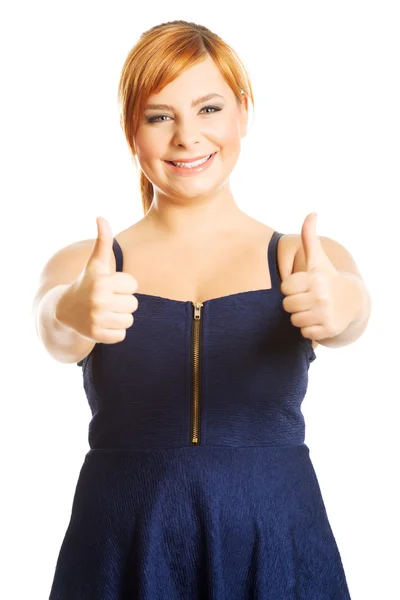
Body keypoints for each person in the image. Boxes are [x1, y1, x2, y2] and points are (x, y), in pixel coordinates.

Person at [34, 19, 371, 599]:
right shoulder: (88, 264)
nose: (187, 137)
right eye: (158, 116)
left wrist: (343, 306)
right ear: (130, 131)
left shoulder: (300, 256)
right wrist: (73, 310)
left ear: (243, 111)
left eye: (209, 109)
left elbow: (351, 309)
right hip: (122, 539)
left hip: (277, 536)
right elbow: (52, 325)